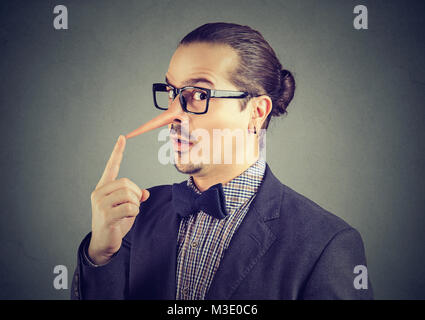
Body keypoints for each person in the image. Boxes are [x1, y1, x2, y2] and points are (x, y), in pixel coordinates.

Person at [71, 22, 373, 300]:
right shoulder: (132, 218)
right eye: (171, 92)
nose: (172, 114)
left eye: (199, 94)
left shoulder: (326, 245)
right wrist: (99, 256)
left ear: (256, 112)